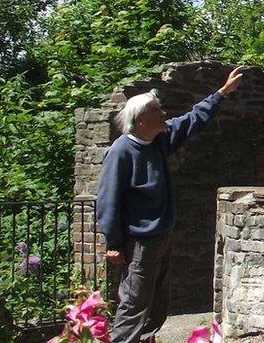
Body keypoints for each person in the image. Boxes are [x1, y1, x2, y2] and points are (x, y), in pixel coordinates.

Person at [96, 67, 244, 343]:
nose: (164, 114)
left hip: (161, 236)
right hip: (138, 241)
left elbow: (190, 121)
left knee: (158, 303)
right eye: (157, 110)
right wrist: (113, 244)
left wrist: (221, 94)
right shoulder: (120, 152)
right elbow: (108, 199)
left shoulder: (158, 141)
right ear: (140, 120)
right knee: (134, 302)